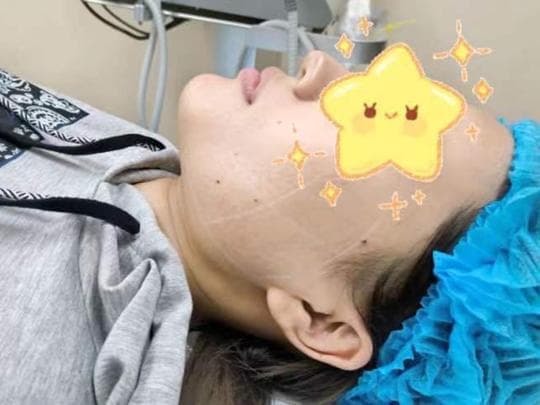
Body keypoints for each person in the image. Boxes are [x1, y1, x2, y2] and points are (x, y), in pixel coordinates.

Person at [0, 49, 513, 405]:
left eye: (377, 118)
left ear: (321, 322)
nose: (320, 66)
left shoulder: (41, 338)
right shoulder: (150, 161)